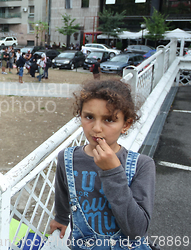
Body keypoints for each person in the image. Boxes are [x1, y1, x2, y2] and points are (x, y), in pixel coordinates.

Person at [49, 80, 156, 250]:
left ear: (126, 124)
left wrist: (113, 171)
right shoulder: (67, 158)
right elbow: (63, 192)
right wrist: (61, 218)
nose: (96, 128)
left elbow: (137, 230)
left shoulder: (142, 165)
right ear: (80, 115)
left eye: (108, 120)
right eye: (89, 117)